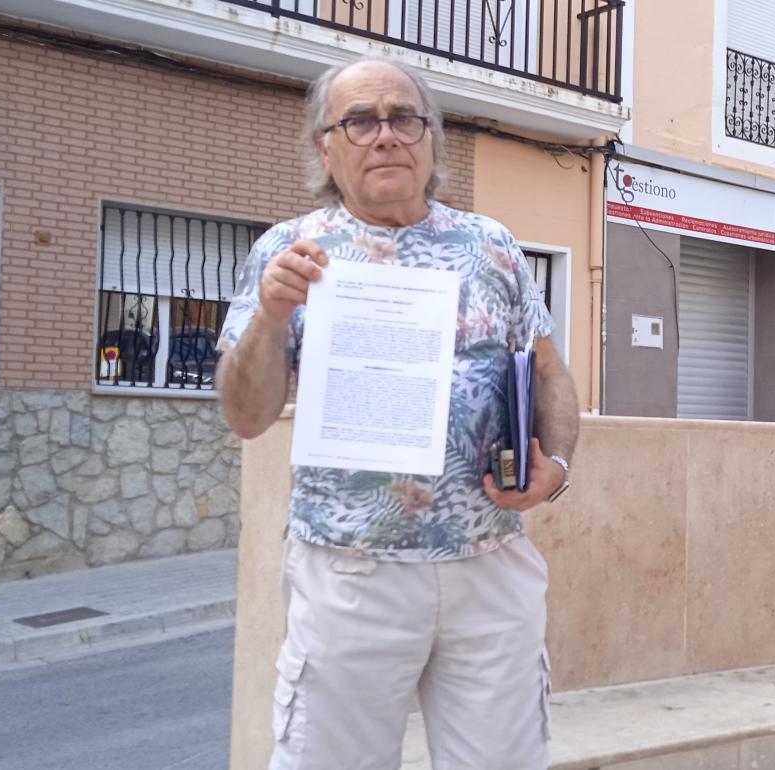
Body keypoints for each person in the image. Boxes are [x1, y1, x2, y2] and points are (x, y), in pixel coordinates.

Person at [216, 56, 580, 770]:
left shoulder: (493, 246)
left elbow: (548, 372)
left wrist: (557, 464)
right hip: (353, 575)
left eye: (404, 117)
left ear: (432, 138)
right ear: (327, 145)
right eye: (359, 120)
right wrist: (272, 313)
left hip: (490, 565)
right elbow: (246, 416)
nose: (385, 136)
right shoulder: (289, 253)